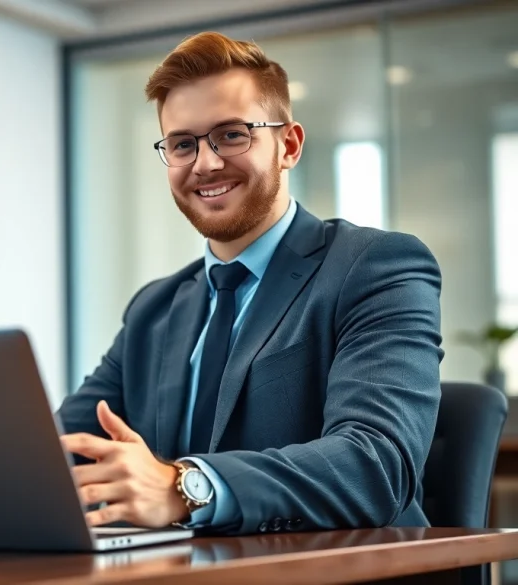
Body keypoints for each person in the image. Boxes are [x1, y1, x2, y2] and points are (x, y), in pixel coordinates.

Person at [56, 32, 443, 536]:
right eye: (182, 144)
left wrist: (183, 487)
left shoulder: (377, 267)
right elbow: (61, 450)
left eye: (232, 135)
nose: (206, 163)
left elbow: (374, 463)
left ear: (289, 145)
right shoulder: (155, 308)